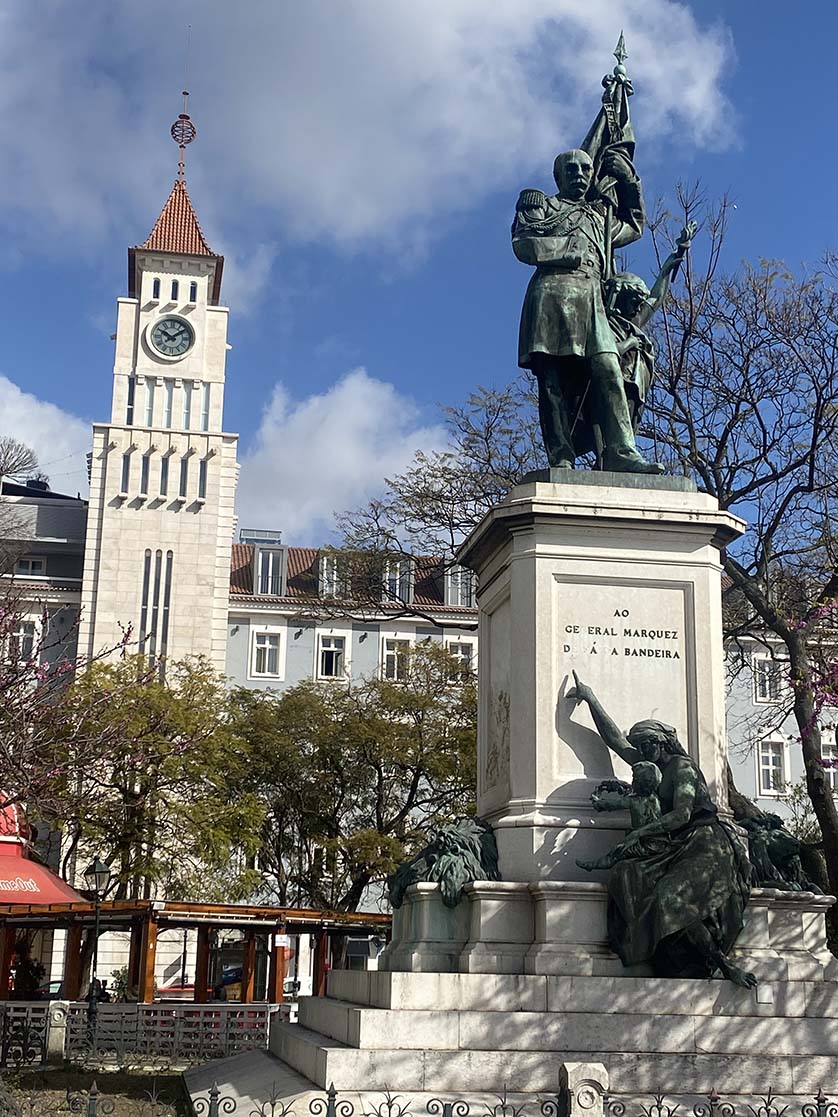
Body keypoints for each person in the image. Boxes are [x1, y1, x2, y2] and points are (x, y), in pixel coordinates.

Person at [568, 670, 756, 987]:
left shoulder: (682, 768)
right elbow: (617, 742)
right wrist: (590, 698)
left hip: (705, 844)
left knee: (669, 897)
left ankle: (722, 964)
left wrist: (641, 832)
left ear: (658, 744)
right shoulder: (652, 765)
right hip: (673, 844)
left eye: (644, 748)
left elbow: (682, 814)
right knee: (628, 874)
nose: (639, 755)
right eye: (639, 749)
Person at [512, 148, 662, 474]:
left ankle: (621, 451)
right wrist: (567, 249)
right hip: (551, 296)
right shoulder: (542, 206)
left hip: (593, 303)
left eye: (586, 168)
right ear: (558, 177)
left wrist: (627, 178)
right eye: (572, 169)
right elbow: (523, 243)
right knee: (553, 382)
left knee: (608, 367)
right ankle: (561, 455)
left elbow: (634, 224)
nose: (580, 174)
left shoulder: (599, 216)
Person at [604, 220, 697, 427]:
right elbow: (606, 353)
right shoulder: (605, 324)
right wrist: (629, 343)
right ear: (619, 300)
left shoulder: (634, 321)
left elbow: (656, 298)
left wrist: (675, 256)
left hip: (634, 388)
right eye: (634, 303)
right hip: (613, 385)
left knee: (626, 430)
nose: (639, 308)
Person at [576, 761, 669, 872]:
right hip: (662, 842)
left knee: (618, 851)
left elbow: (611, 805)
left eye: (634, 778)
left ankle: (594, 865)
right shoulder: (654, 798)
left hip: (647, 845)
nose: (632, 781)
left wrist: (597, 802)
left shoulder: (632, 801)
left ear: (638, 782)